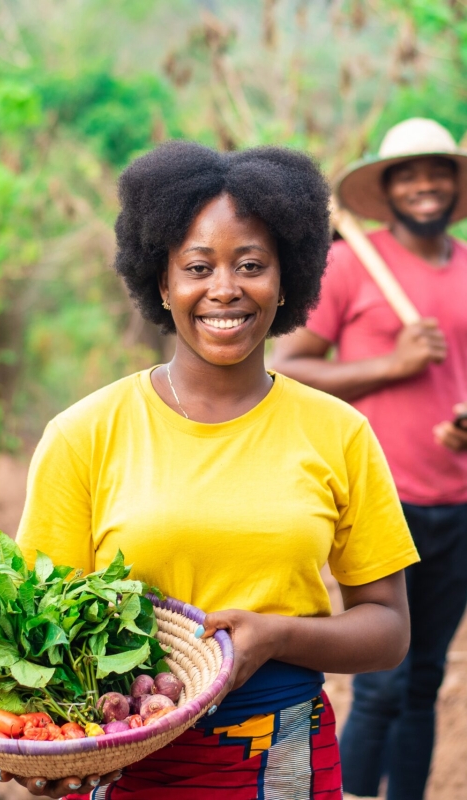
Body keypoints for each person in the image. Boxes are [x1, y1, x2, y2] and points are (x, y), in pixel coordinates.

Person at [0, 141, 417, 800]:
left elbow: (388, 630)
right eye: (198, 266)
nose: (225, 288)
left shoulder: (339, 433)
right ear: (162, 281)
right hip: (120, 754)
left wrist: (277, 635)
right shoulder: (85, 434)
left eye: (252, 264)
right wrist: (43, 745)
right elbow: (34, 631)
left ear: (289, 279)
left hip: (280, 758)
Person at [272, 118, 467, 800]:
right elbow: (286, 364)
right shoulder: (353, 264)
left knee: (425, 681)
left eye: (437, 171)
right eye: (408, 174)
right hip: (385, 499)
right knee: (383, 685)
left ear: (455, 182)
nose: (425, 185)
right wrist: (395, 363)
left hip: (459, 502)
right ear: (387, 189)